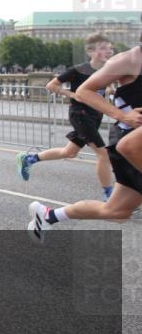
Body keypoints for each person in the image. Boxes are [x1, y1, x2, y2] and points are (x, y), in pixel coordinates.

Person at [27, 43, 142, 243]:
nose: (107, 51)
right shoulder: (129, 59)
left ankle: (49, 216)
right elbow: (84, 91)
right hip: (130, 142)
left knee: (116, 211)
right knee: (78, 152)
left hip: (131, 141)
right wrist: (123, 116)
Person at [17, 34, 115, 199]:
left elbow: (108, 88)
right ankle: (109, 195)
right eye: (103, 48)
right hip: (80, 115)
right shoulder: (78, 70)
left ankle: (29, 159)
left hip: (95, 116)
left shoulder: (108, 71)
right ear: (90, 51)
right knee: (103, 154)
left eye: (110, 48)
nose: (108, 51)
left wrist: (110, 91)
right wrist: (72, 94)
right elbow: (51, 85)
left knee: (69, 152)